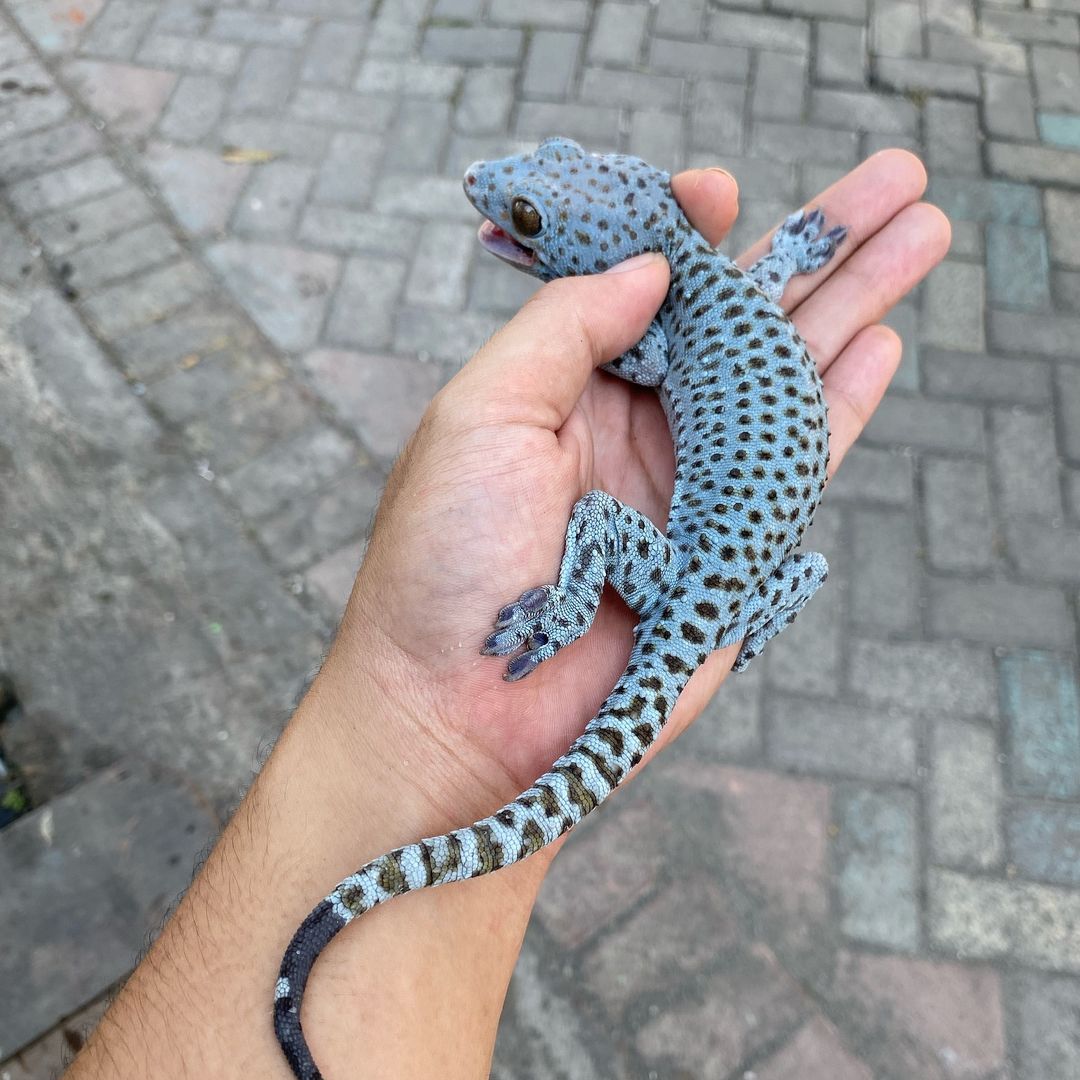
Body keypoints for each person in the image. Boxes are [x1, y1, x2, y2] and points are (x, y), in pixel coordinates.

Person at [66, 150, 949, 1079]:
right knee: (799, 568)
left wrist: (573, 605)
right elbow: (731, 301)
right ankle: (736, 628)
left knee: (603, 519)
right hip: (743, 592)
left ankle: (576, 615)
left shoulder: (651, 338)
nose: (488, 187)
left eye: (528, 215)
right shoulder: (722, 297)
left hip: (685, 584)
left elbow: (647, 358)